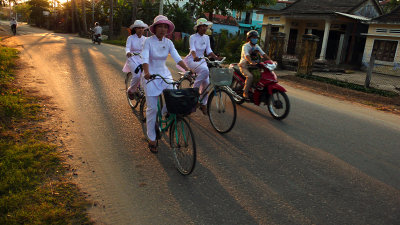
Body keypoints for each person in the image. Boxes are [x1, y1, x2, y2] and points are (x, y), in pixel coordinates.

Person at [142, 15, 191, 153]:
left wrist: (188, 70)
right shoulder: (148, 41)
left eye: (165, 27)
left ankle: (162, 116)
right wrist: (146, 72)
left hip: (164, 74)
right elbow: (145, 57)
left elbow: (176, 57)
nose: (163, 29)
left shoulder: (169, 43)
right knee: (152, 110)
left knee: (174, 98)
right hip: (150, 75)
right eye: (160, 26)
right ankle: (152, 138)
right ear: (155, 28)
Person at [184, 18, 221, 114]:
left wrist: (216, 57)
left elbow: (208, 50)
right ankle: (194, 92)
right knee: (205, 71)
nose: (205, 28)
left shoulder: (207, 37)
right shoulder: (192, 37)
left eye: (206, 26)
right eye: (203, 26)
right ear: (198, 27)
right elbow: (192, 49)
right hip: (192, 60)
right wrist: (195, 56)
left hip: (202, 61)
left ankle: (203, 103)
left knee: (207, 83)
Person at [238, 30, 272, 99]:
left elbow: (263, 54)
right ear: (249, 38)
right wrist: (250, 62)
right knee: (250, 76)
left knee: (261, 76)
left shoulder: (256, 46)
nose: (255, 39)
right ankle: (245, 92)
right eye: (254, 37)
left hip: (254, 66)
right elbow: (247, 55)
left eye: (256, 37)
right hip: (244, 66)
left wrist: (271, 61)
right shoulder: (245, 46)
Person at [122, 20, 148, 99]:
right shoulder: (131, 38)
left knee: (148, 75)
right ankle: (131, 90)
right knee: (137, 76)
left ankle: (144, 91)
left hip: (142, 58)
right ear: (135, 29)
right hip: (132, 58)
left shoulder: (146, 39)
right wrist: (128, 52)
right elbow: (127, 47)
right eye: (138, 28)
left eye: (142, 28)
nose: (141, 29)